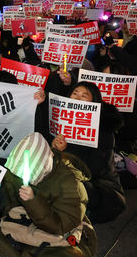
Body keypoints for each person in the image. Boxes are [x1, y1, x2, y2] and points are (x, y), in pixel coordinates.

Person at [0, 132, 97, 257]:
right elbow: (10, 195)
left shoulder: (70, 185)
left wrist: (34, 201)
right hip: (28, 218)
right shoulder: (24, 167)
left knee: (66, 256)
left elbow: (62, 225)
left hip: (60, 225)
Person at [50, 81, 125, 223]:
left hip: (98, 185)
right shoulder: (58, 121)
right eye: (75, 93)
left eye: (84, 96)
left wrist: (65, 152)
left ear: (94, 102)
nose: (77, 99)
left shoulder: (103, 132)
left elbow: (95, 170)